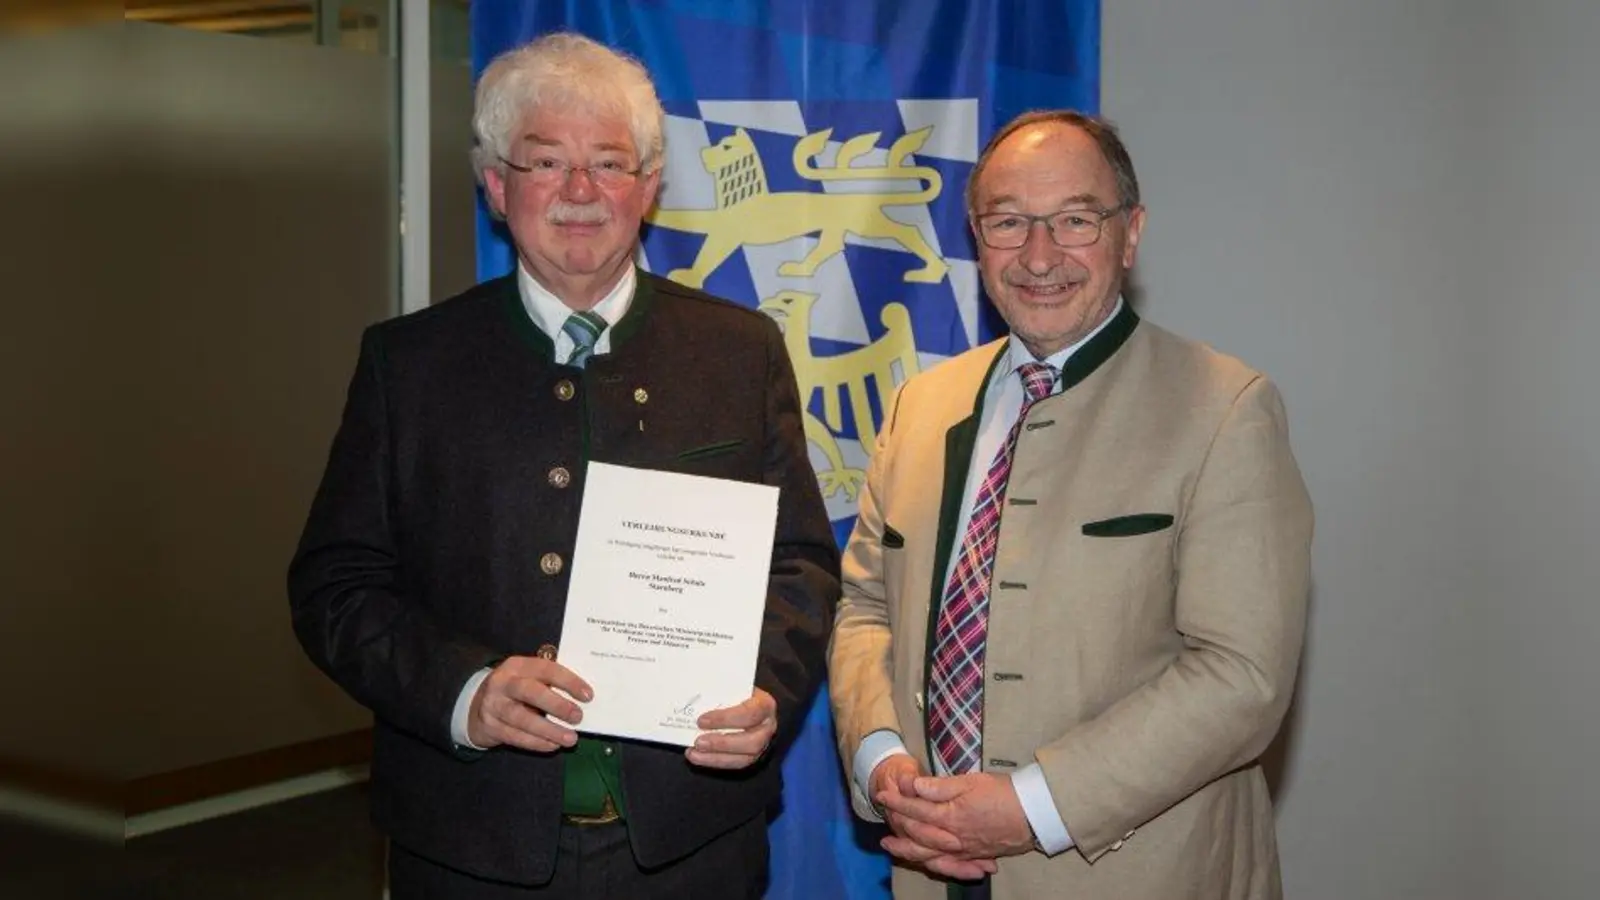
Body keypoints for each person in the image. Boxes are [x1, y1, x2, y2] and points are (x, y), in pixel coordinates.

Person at [289, 32, 839, 899]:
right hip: (469, 845)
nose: (581, 192)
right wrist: (463, 691)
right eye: (547, 162)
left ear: (648, 188)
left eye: (610, 164)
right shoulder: (410, 364)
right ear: (496, 185)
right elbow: (335, 587)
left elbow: (800, 564)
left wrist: (765, 688)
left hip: (693, 843)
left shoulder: (740, 351)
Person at [828, 109, 1313, 900]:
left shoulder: (1226, 410)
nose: (1039, 255)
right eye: (1008, 222)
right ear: (976, 238)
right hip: (930, 868)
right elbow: (865, 608)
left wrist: (1031, 807)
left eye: (1075, 220)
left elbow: (1241, 674)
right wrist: (881, 760)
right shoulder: (920, 405)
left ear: (1130, 234)